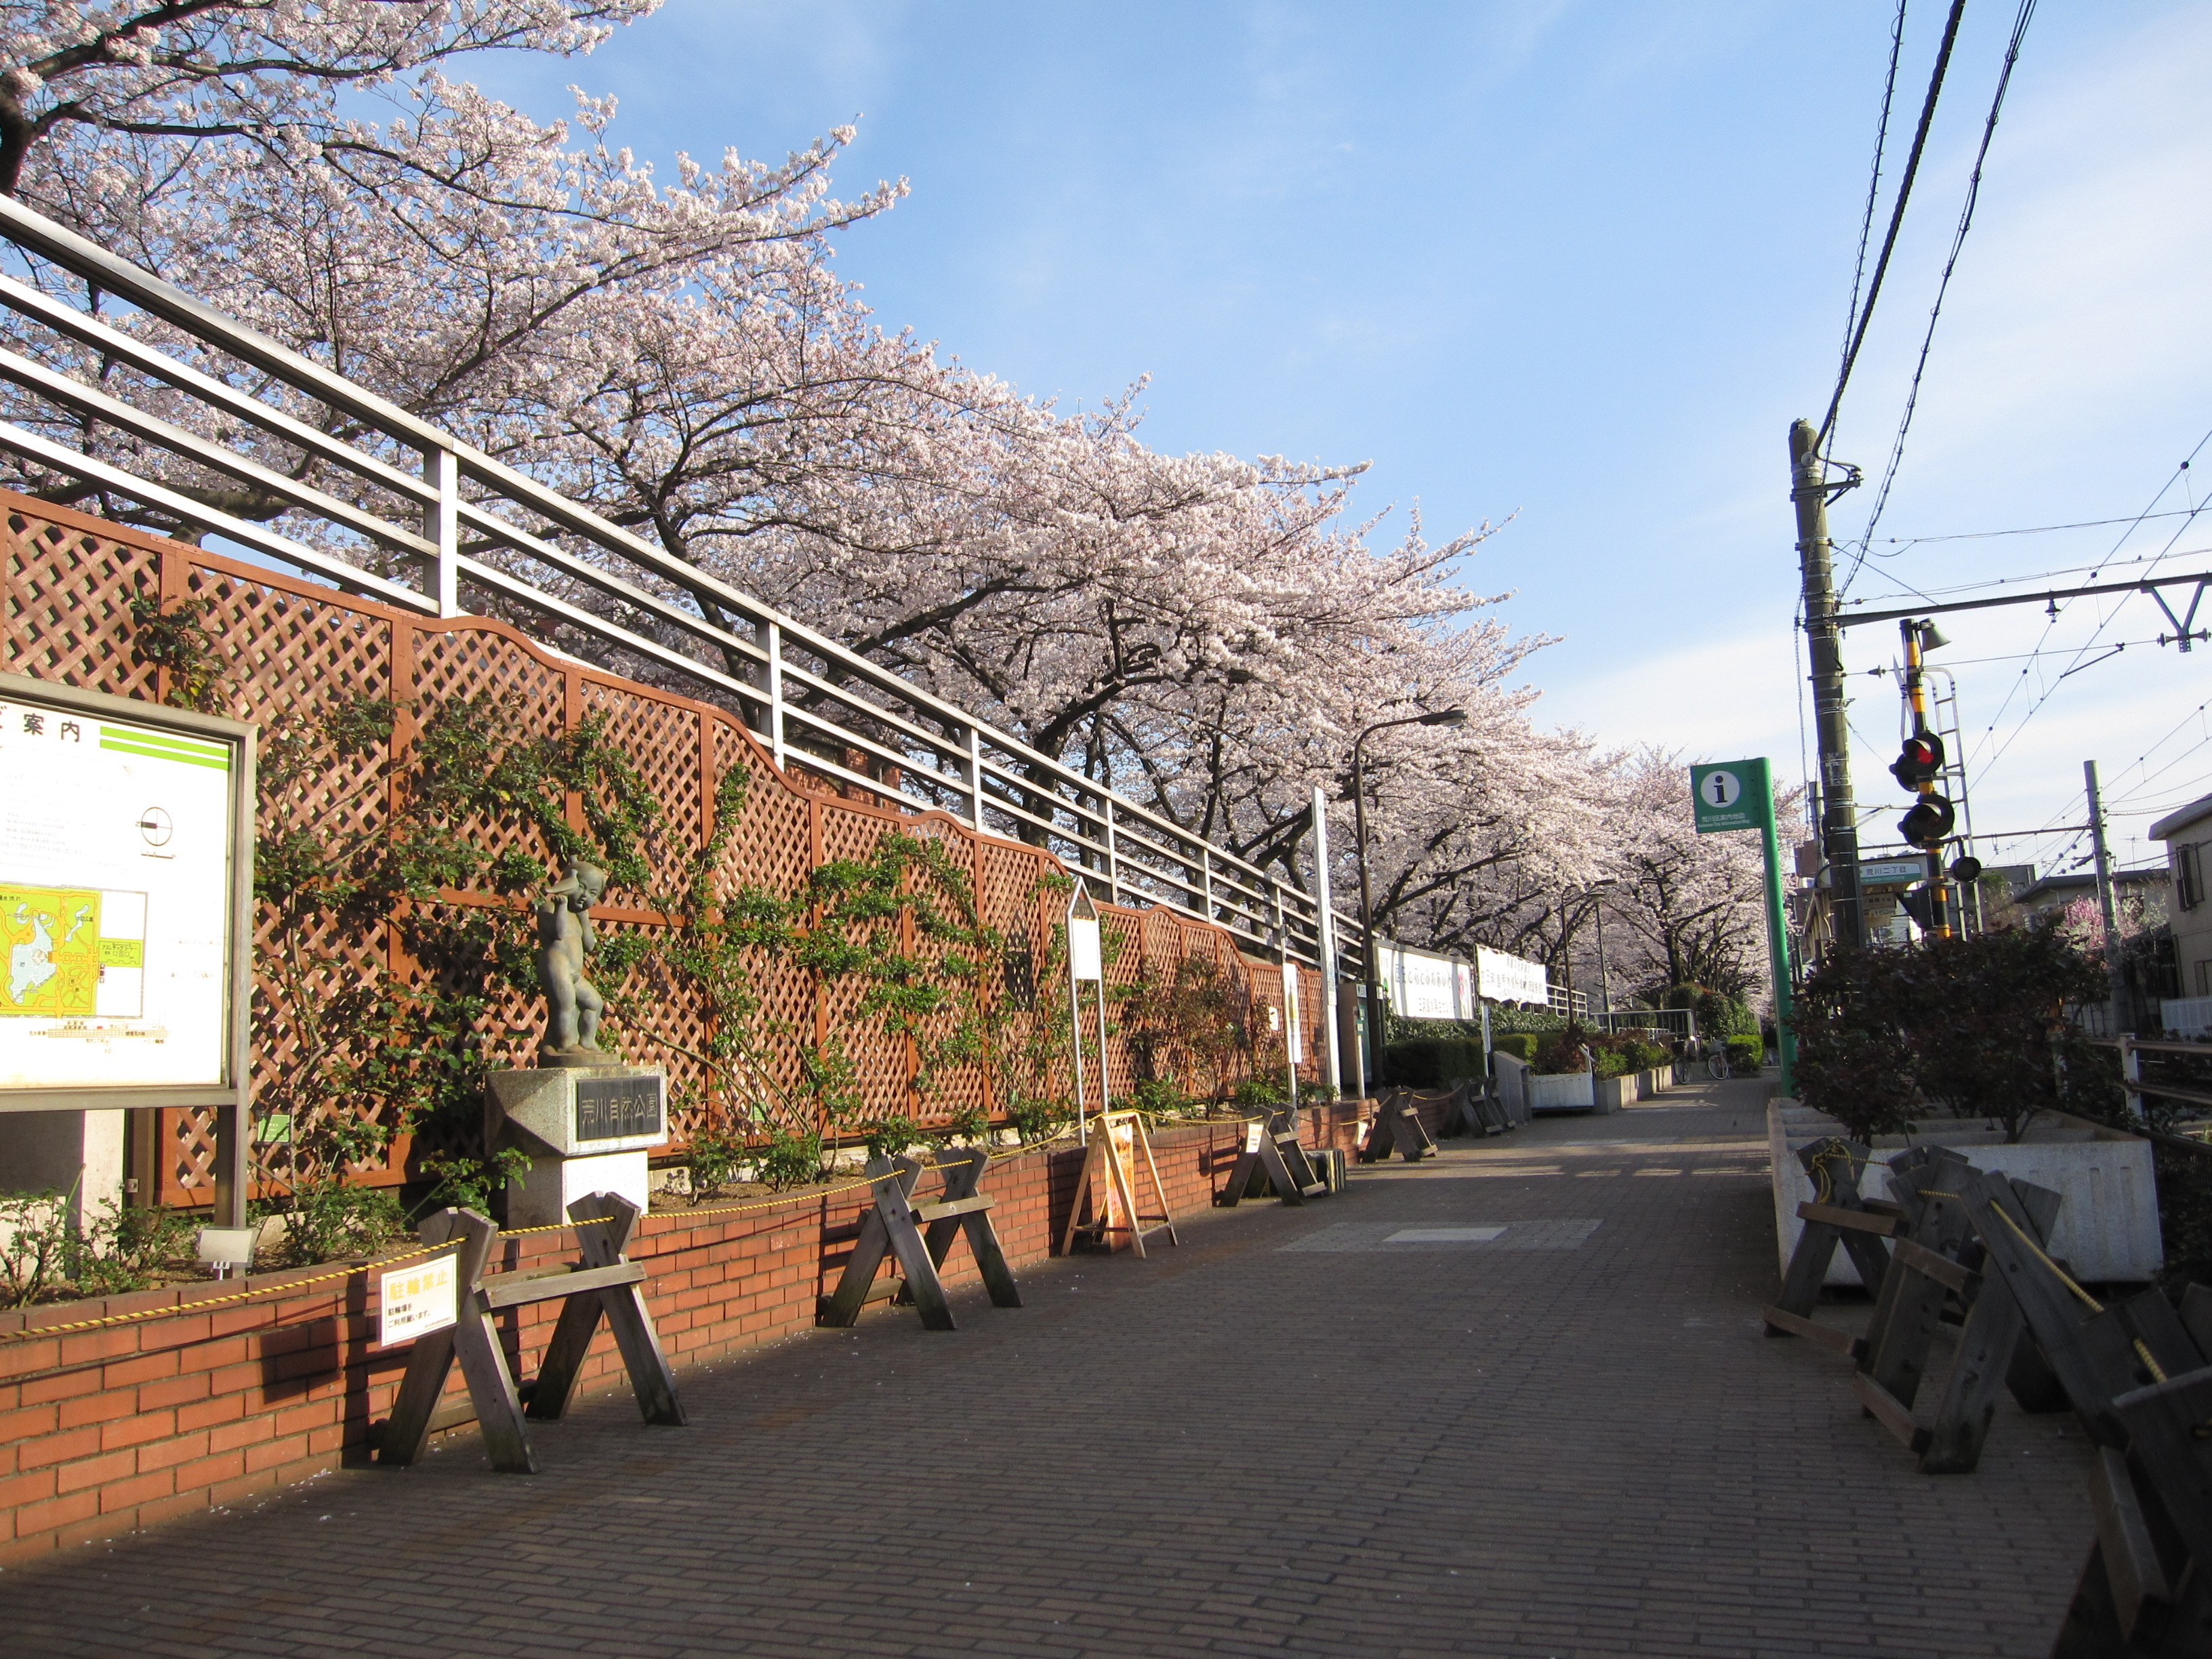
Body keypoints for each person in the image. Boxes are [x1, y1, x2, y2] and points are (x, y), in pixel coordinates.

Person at [535, 859, 609, 1058]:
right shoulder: (549, 907)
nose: (585, 896)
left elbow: (590, 945)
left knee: (594, 1003)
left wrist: (585, 919)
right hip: (556, 963)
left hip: (575, 972)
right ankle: (566, 1043)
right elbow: (558, 933)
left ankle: (586, 1041)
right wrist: (561, 906)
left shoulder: (578, 916)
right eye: (582, 888)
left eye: (593, 893)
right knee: (565, 1003)